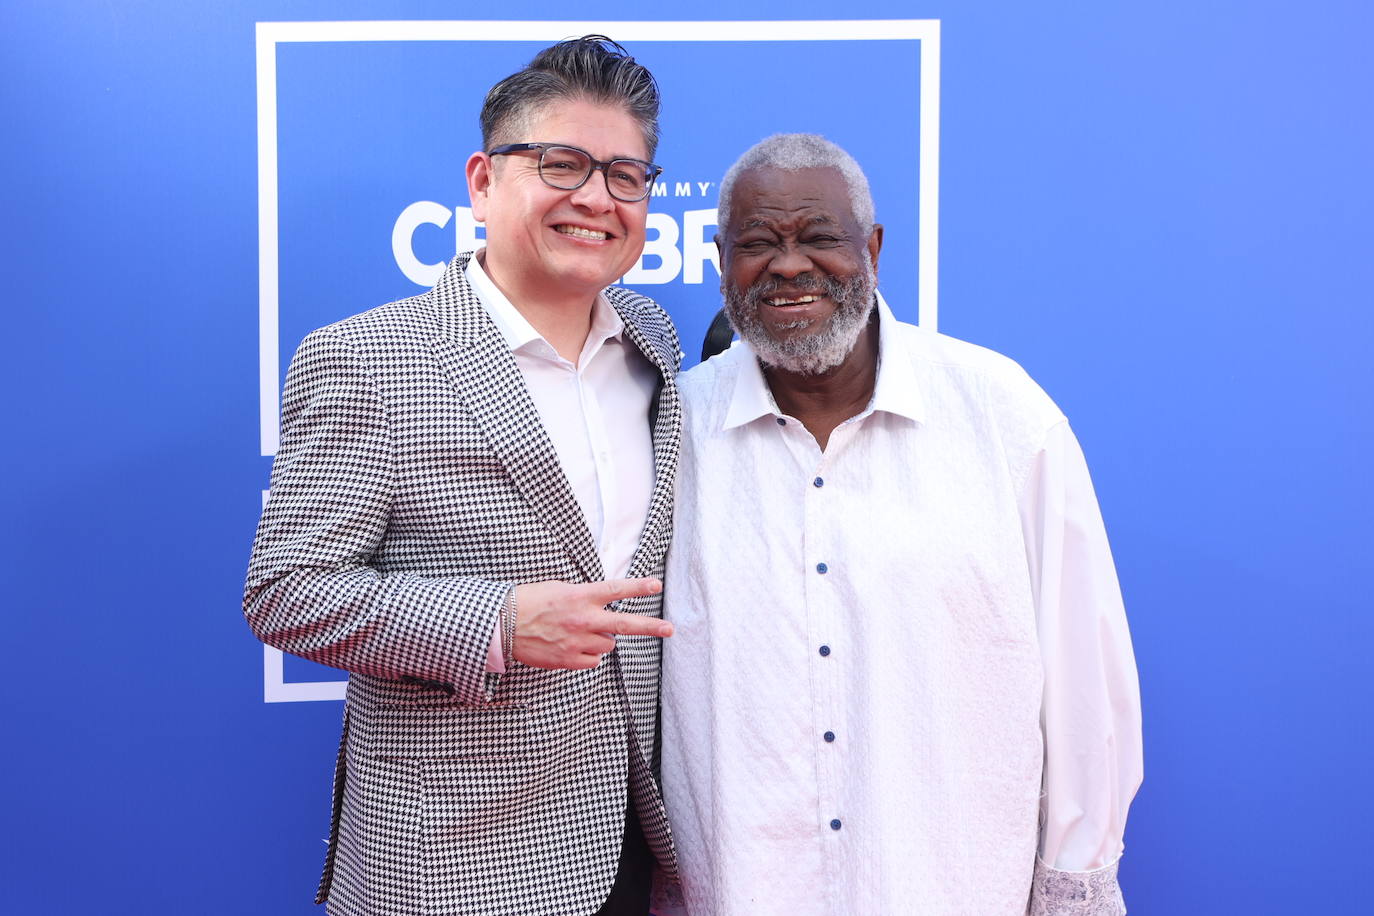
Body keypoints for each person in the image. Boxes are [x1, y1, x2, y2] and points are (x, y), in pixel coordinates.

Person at [244, 36, 682, 916]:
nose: (596, 197)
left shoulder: (654, 342)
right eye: (562, 164)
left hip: (643, 846)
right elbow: (285, 591)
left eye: (625, 175)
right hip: (453, 865)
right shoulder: (368, 358)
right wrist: (496, 623)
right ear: (484, 182)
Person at [659, 134, 1143, 915]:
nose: (788, 266)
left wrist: (1075, 885)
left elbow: (1085, 678)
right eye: (757, 244)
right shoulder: (670, 435)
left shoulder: (1004, 416)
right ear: (721, 262)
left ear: (872, 247)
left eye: (819, 237)